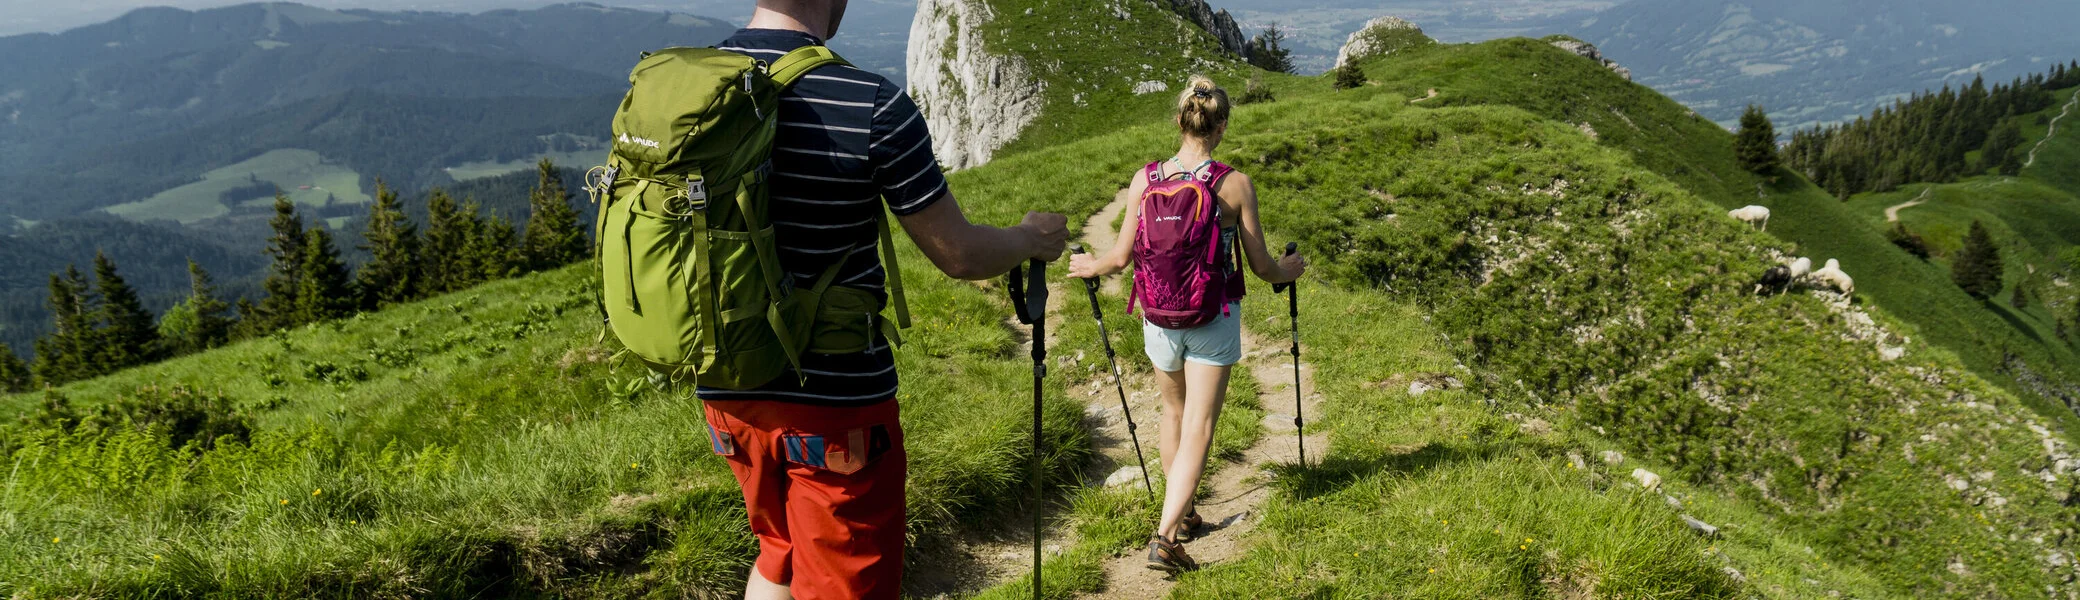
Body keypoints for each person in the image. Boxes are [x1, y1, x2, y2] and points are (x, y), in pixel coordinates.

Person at [702, 2, 1068, 598]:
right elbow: (961, 255)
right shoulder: (870, 103)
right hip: (835, 406)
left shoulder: (693, 86)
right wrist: (1030, 237)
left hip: (727, 386)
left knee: (780, 550)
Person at [1067, 75, 1306, 573]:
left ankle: (1185, 512)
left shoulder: (1146, 179)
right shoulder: (1232, 184)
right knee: (1200, 423)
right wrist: (1290, 271)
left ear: (1179, 122)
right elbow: (1261, 266)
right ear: (1220, 128)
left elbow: (1119, 257)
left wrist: (1090, 266)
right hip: (1212, 316)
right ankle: (1166, 536)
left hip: (1158, 317)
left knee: (1173, 415)